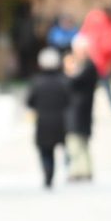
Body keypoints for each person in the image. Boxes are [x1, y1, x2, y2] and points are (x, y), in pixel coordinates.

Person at [25, 47, 70, 188]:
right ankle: (54, 173)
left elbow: (29, 101)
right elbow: (68, 100)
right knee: (59, 148)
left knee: (45, 151)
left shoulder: (37, 82)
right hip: (59, 120)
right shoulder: (63, 81)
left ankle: (48, 174)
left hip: (43, 121)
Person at [64, 34, 99, 182]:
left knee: (76, 143)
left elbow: (72, 82)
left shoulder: (88, 67)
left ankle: (79, 170)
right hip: (79, 110)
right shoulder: (85, 66)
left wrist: (68, 69)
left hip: (79, 111)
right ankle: (84, 169)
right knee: (80, 143)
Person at [78, 7, 111, 115]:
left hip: (89, 60)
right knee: (106, 85)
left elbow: (81, 37)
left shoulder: (91, 19)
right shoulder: (109, 25)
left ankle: (84, 107)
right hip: (100, 61)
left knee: (86, 87)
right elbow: (109, 46)